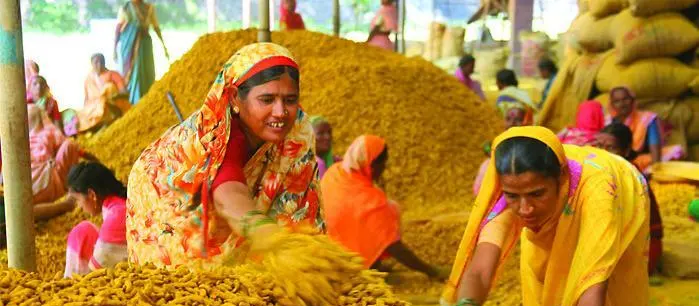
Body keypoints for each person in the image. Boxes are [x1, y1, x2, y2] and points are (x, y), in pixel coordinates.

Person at [444, 126, 651, 306]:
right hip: (572, 194)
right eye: (512, 196)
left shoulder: (598, 197)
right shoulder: (516, 186)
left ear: (561, 177)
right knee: (550, 277)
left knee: (610, 291)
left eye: (537, 194)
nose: (525, 209)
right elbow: (482, 263)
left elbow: (594, 287)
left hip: (621, 191)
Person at [127, 43, 323, 267]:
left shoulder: (298, 130)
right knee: (190, 281)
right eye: (267, 100)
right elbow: (227, 194)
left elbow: (297, 200)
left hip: (239, 207)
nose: (281, 112)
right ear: (234, 99)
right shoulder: (219, 133)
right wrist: (261, 229)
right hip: (165, 193)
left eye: (290, 100)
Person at [321, 135, 446, 279]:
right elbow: (393, 245)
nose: (384, 168)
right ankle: (368, 264)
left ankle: (372, 260)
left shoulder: (335, 172)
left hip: (325, 251)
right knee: (389, 211)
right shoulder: (369, 200)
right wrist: (432, 271)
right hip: (345, 263)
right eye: (383, 163)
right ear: (371, 165)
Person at [596, 122, 663, 276]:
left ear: (626, 150)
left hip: (639, 246)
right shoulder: (596, 171)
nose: (603, 152)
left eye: (610, 147)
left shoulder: (631, 176)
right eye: (598, 145)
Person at [64, 162, 128, 277]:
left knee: (80, 233)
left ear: (92, 195)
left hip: (139, 277)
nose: (79, 206)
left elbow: (93, 276)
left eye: (78, 199)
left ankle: (69, 283)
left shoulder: (117, 216)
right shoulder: (120, 205)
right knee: (86, 231)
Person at [606, 86, 684, 172]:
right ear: (612, 104)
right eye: (617, 101)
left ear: (632, 100)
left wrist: (656, 170)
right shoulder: (607, 121)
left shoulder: (647, 118)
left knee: (673, 152)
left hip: (640, 162)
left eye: (625, 99)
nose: (622, 104)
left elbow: (655, 149)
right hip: (615, 162)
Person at [114, 0, 169, 104]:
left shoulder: (149, 8)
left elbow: (156, 27)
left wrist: (164, 46)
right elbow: (118, 29)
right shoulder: (125, 8)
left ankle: (147, 101)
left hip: (145, 45)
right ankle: (133, 102)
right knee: (133, 73)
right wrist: (114, 49)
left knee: (147, 72)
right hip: (129, 46)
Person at [474, 105, 530, 195]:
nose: (512, 123)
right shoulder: (501, 139)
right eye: (508, 119)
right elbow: (488, 148)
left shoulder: (528, 141)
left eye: (518, 120)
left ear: (526, 122)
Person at [77, 53, 131, 133]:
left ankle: (112, 118)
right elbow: (86, 99)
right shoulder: (88, 79)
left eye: (101, 62)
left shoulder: (113, 74)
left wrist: (114, 96)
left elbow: (124, 93)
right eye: (96, 62)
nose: (98, 65)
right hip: (93, 109)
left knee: (109, 87)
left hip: (112, 105)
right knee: (80, 117)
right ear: (91, 64)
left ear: (104, 63)